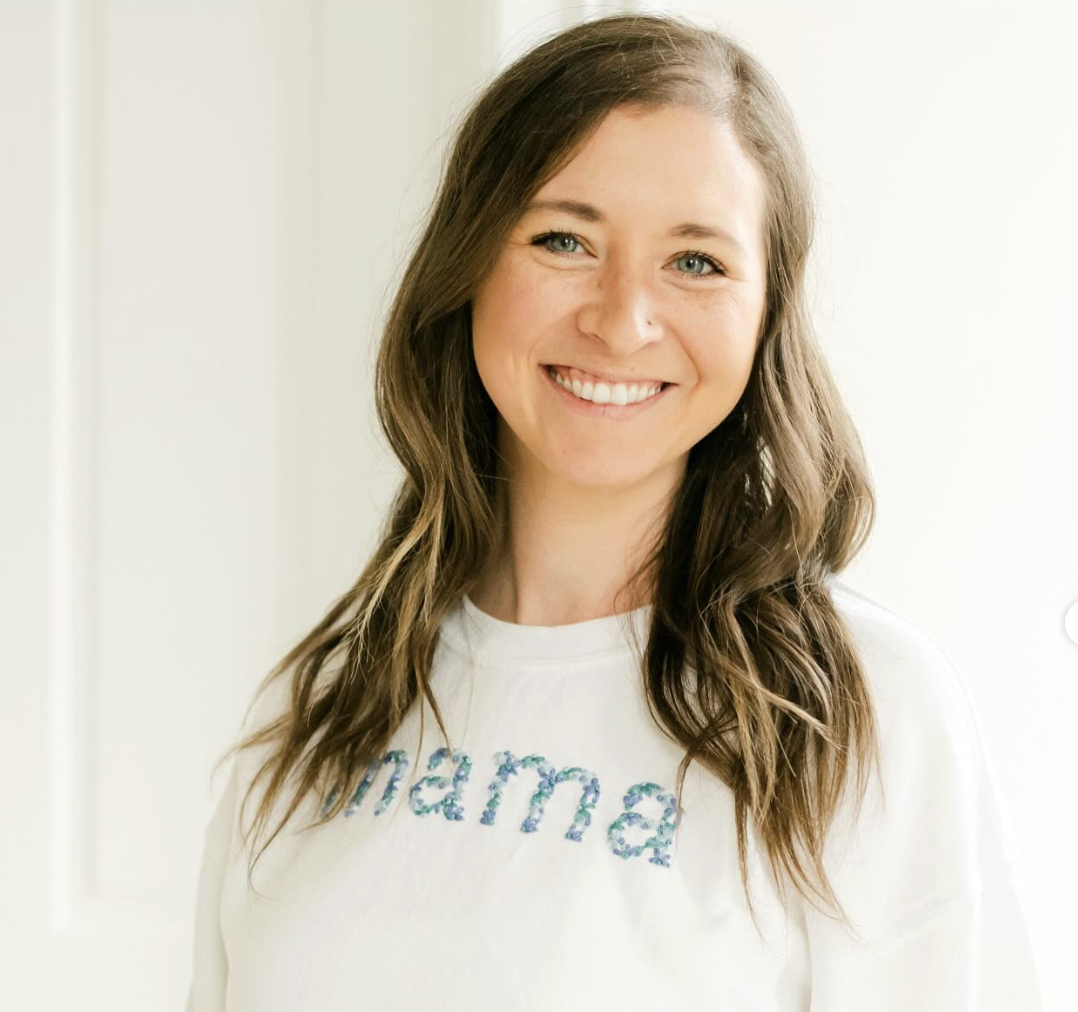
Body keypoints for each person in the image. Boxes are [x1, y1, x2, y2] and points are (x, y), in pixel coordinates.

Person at [185, 12, 1043, 1010]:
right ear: (466, 268)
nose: (621, 318)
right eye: (562, 239)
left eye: (696, 263)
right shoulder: (321, 705)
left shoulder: (858, 711)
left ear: (765, 314)